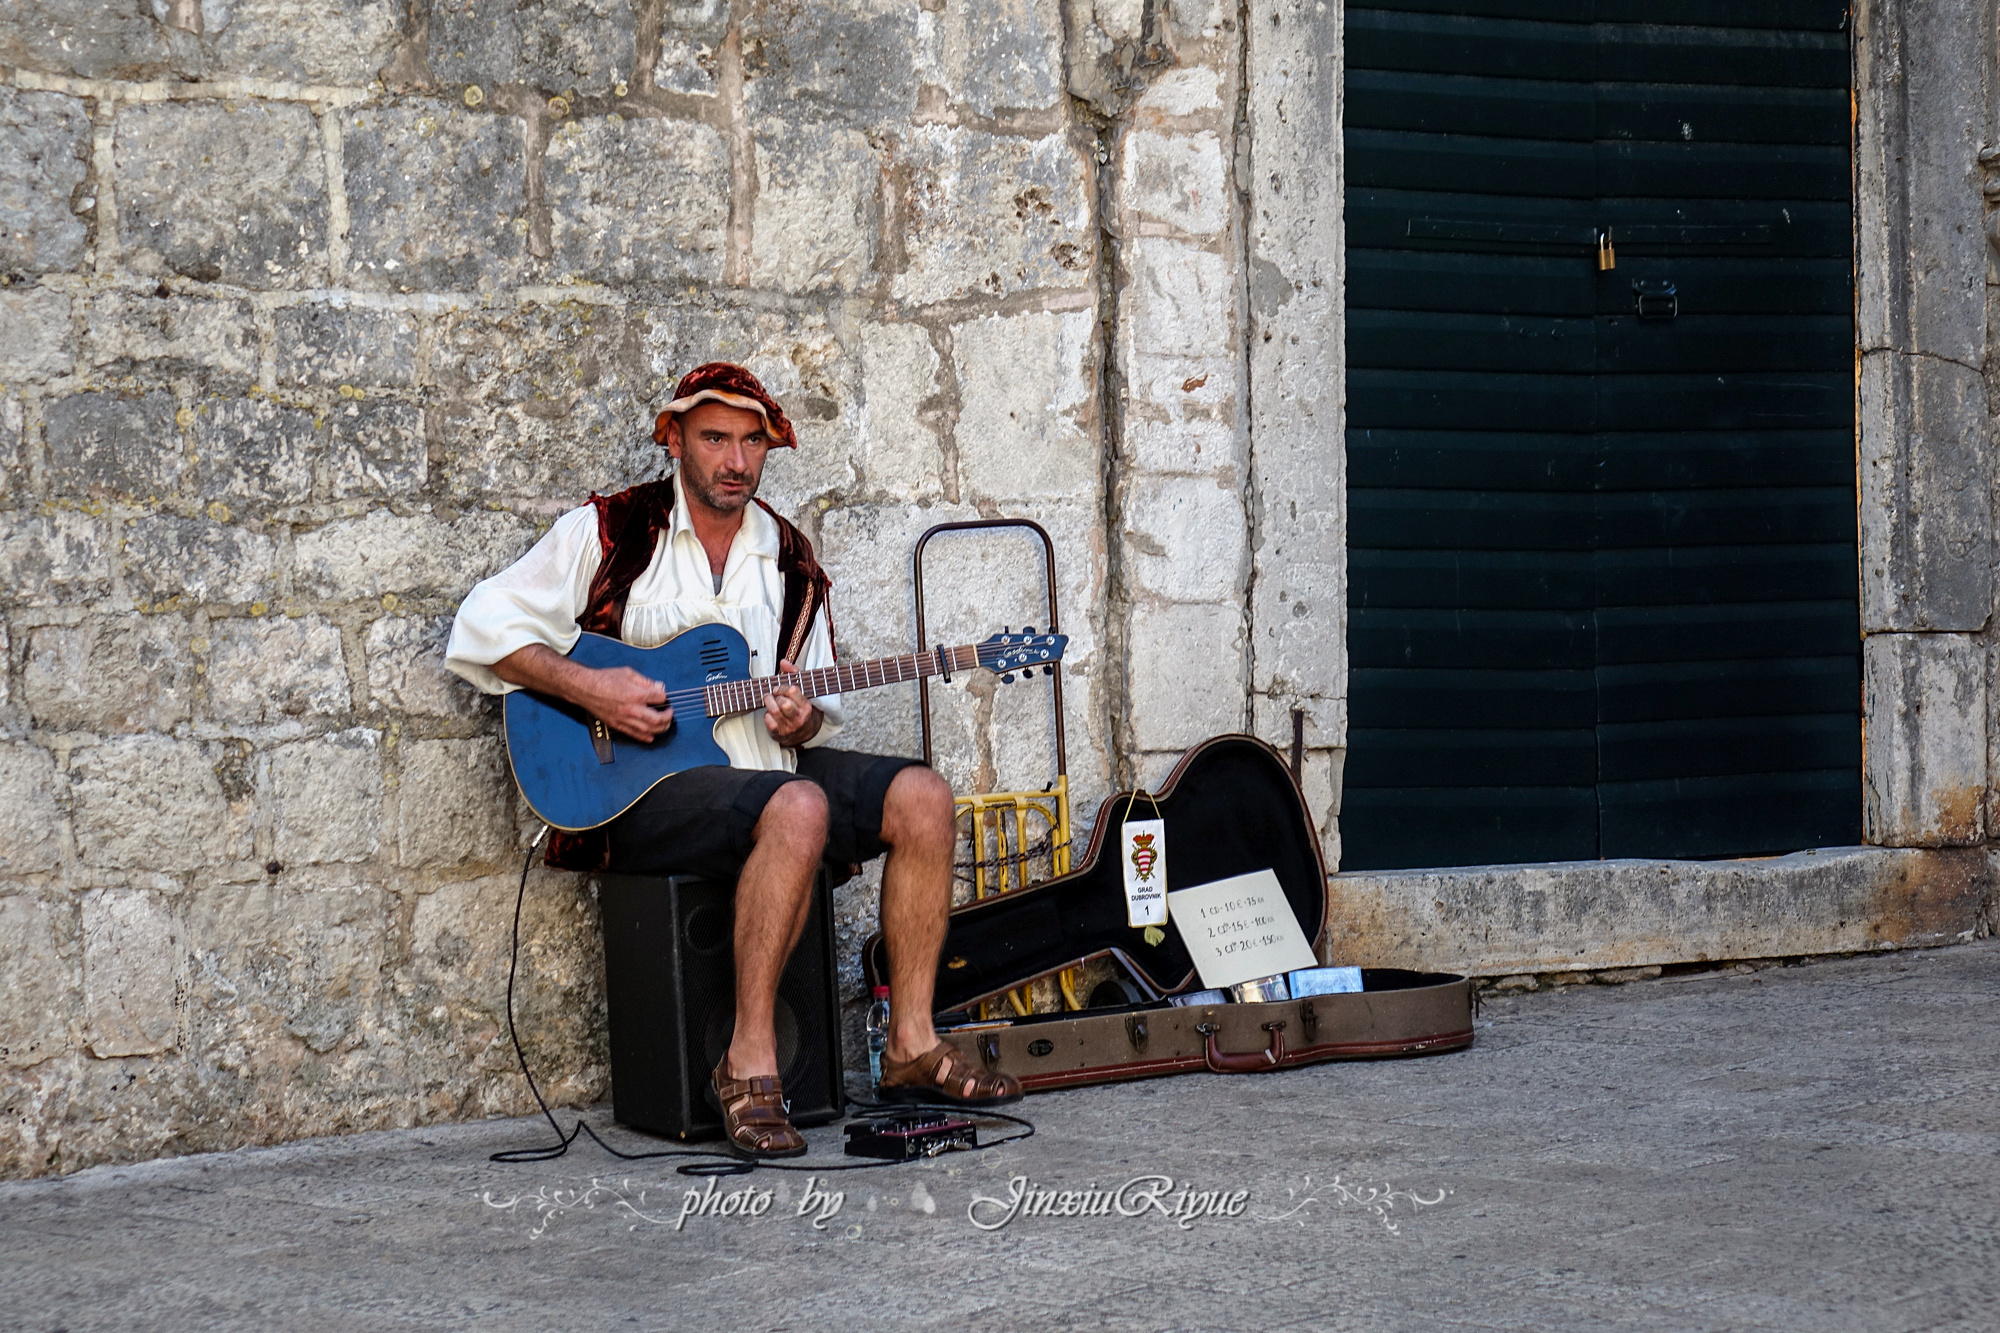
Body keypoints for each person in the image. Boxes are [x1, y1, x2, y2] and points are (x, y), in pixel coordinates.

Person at [444, 362, 1020, 1158]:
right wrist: (594, 689)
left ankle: (910, 1044)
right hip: (635, 790)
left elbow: (809, 708)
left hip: (760, 769)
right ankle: (750, 1061)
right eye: (715, 438)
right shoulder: (612, 530)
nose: (736, 460)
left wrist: (800, 719)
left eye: (752, 442)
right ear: (675, 438)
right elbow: (481, 623)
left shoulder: (787, 555)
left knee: (921, 794)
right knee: (799, 808)